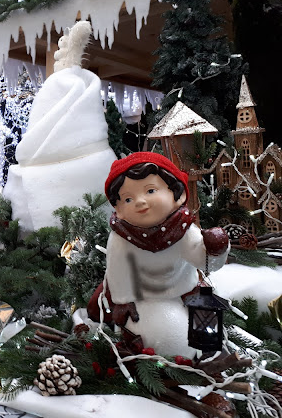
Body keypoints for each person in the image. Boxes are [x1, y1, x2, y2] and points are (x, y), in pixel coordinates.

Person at [90, 152, 229, 357]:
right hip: (142, 298)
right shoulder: (121, 238)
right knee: (144, 334)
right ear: (118, 209)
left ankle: (208, 354)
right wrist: (122, 301)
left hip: (183, 291)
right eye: (128, 198)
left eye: (150, 190)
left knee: (206, 328)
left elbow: (203, 260)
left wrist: (215, 248)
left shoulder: (183, 230)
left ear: (177, 195)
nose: (140, 202)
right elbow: (118, 271)